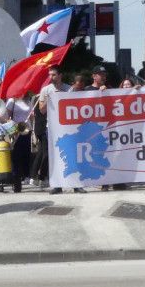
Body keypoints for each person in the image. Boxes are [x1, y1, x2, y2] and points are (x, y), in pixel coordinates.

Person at [35, 66, 84, 195]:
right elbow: (41, 110)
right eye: (50, 75)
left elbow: (76, 106)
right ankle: (57, 185)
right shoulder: (46, 90)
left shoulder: (69, 89)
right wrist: (50, 98)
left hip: (68, 127)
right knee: (55, 156)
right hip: (52, 127)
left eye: (54, 75)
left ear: (60, 75)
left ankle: (75, 184)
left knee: (72, 154)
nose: (51, 77)